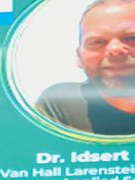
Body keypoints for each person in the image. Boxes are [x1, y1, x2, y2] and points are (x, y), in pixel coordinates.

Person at [34, 0, 135, 137]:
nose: (115, 49)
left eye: (132, 38)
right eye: (97, 42)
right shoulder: (61, 103)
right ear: (80, 58)